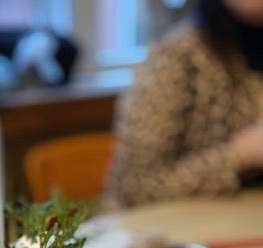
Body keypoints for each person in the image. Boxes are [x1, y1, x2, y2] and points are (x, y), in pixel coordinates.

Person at [107, 0, 263, 209]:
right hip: (162, 224)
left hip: (241, 219)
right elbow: (133, 188)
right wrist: (240, 153)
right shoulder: (177, 56)